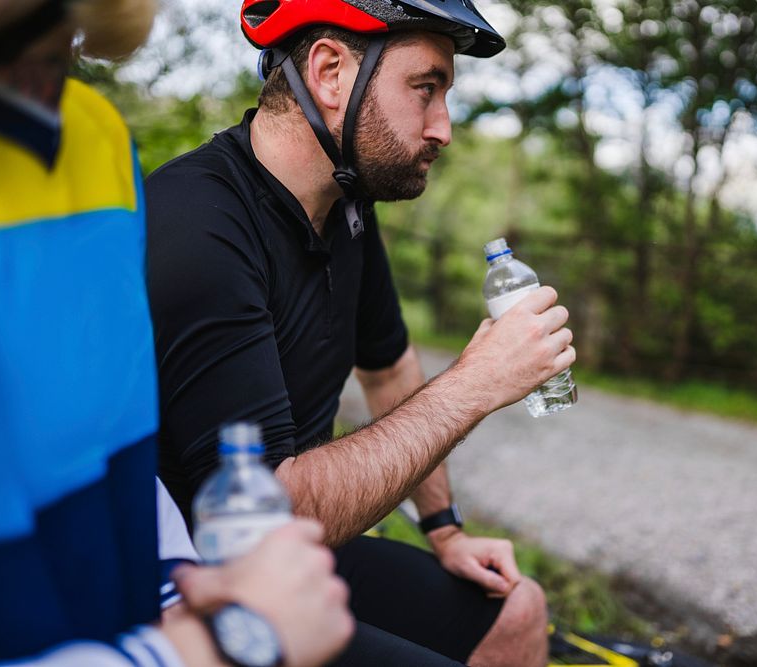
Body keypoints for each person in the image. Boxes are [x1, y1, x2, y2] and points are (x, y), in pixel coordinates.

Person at [145, 1, 575, 665]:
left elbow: (389, 365)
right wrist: (476, 384)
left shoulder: (345, 207)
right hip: (199, 589)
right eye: (425, 89)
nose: (444, 129)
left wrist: (445, 528)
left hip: (298, 557)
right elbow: (269, 512)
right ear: (329, 72)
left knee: (518, 609)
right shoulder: (198, 225)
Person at [0, 1, 353, 665]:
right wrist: (222, 644)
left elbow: (112, 442)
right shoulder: (203, 211)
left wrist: (179, 582)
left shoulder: (93, 135)